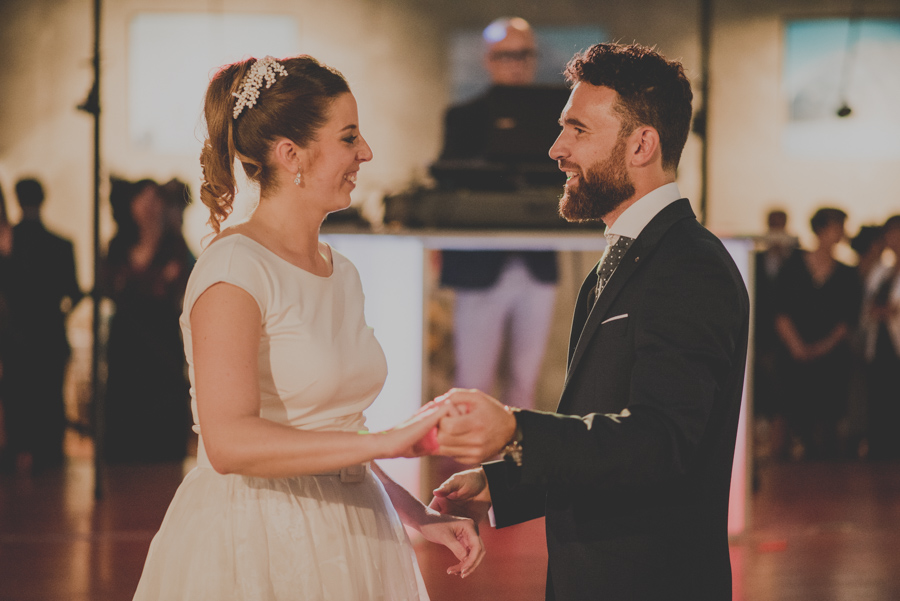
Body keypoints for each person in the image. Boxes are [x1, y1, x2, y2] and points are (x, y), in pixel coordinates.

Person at [132, 55, 483, 601]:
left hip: (355, 529)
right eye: (349, 137)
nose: (365, 152)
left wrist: (416, 513)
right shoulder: (235, 270)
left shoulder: (339, 269)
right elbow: (228, 443)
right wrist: (390, 441)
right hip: (258, 535)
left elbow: (334, 429)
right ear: (289, 154)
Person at [429, 43, 750, 601]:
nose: (556, 149)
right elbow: (605, 435)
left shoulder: (688, 266)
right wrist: (502, 485)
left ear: (641, 144)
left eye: (577, 130)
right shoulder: (621, 260)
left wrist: (516, 432)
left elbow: (661, 444)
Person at [437, 17, 558, 411]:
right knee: (474, 382)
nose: (516, 63)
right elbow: (451, 183)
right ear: (490, 60)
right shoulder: (463, 116)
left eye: (524, 54)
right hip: (480, 263)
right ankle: (472, 468)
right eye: (507, 55)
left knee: (526, 381)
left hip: (536, 262)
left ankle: (517, 468)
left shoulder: (555, 118)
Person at [101, 178, 194, 463]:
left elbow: (185, 283)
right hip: (127, 338)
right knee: (125, 402)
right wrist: (155, 281)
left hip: (161, 338)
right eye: (143, 199)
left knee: (163, 404)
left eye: (156, 200)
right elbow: (107, 285)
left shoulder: (175, 245)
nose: (149, 207)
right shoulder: (119, 245)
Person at [0, 178, 82, 472]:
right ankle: (49, 458)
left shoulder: (9, 243)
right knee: (49, 401)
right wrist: (58, 314)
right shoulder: (60, 245)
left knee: (19, 400)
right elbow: (74, 293)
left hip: (16, 338)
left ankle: (20, 458)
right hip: (49, 336)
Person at [773, 208, 861, 460]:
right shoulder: (793, 265)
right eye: (836, 226)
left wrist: (821, 348)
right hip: (793, 355)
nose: (840, 233)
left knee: (828, 419)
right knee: (790, 410)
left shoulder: (846, 273)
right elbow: (780, 310)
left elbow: (846, 320)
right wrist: (797, 347)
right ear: (821, 229)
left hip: (831, 358)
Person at [859, 215, 900, 460]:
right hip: (881, 345)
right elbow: (867, 306)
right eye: (890, 234)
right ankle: (882, 451)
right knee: (881, 400)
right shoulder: (881, 272)